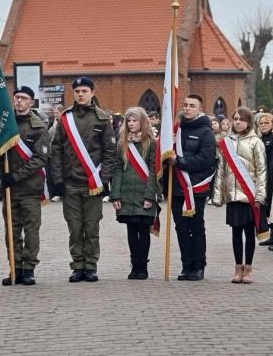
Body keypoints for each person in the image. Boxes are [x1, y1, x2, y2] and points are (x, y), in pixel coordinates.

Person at [50, 77, 117, 282]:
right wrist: (57, 180)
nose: (80, 94)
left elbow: (109, 151)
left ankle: (91, 266)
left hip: (93, 184)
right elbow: (56, 150)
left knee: (92, 227)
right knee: (74, 228)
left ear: (92, 93)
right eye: (77, 91)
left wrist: (104, 180)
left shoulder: (102, 119)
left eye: (84, 91)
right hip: (70, 183)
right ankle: (78, 265)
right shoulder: (66, 118)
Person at [0, 86, 49, 286]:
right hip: (9, 190)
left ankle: (28, 269)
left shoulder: (38, 127)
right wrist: (2, 176)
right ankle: (15, 267)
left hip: (30, 189)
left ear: (31, 102)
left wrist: (16, 176)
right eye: (17, 97)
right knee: (11, 231)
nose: (19, 101)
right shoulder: (4, 125)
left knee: (31, 231)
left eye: (24, 98)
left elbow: (40, 159)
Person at [212, 107, 268, 283]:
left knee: (249, 233)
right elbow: (221, 169)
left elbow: (262, 171)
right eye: (235, 119)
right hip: (233, 194)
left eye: (241, 119)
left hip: (249, 194)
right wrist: (218, 194)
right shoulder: (226, 142)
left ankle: (248, 268)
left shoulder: (256, 142)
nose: (237, 122)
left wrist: (260, 195)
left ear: (249, 122)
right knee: (235, 232)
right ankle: (238, 268)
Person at [165, 94, 216, 281]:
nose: (187, 108)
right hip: (177, 188)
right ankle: (186, 265)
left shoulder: (206, 132)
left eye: (192, 105)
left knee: (196, 228)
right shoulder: (176, 130)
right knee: (181, 229)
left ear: (200, 109)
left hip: (195, 188)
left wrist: (179, 162)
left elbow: (205, 160)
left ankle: (198, 266)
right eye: (185, 105)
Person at [111, 107, 159, 280]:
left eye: (134, 120)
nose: (131, 124)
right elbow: (117, 170)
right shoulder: (122, 144)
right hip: (126, 194)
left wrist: (149, 195)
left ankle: (143, 266)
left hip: (144, 193)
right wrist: (115, 195)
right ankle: (134, 265)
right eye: (128, 121)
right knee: (131, 231)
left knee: (143, 230)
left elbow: (154, 170)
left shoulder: (151, 143)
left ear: (143, 122)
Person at [257, 112, 273, 246]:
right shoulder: (261, 139)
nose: (263, 125)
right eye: (261, 123)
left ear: (272, 124)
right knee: (267, 208)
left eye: (266, 123)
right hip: (264, 177)